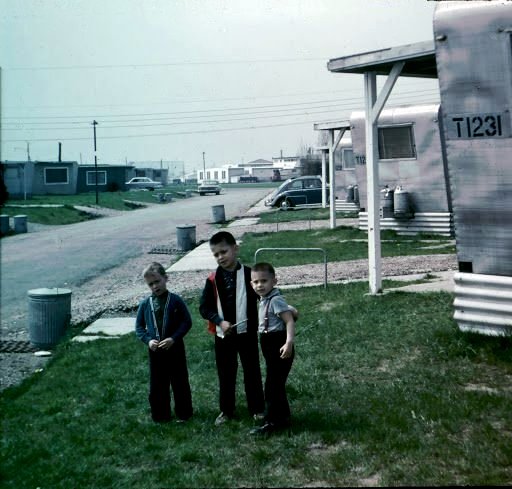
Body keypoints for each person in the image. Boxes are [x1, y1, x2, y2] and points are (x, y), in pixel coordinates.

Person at [199, 231, 265, 426]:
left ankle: (257, 408)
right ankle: (226, 410)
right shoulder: (212, 280)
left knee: (252, 370)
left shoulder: (250, 275)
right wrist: (219, 321)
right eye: (216, 254)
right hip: (224, 335)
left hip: (247, 334)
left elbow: (263, 295)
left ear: (235, 249)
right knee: (226, 373)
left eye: (224, 252)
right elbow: (204, 307)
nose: (220, 257)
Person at [135, 262, 193, 423]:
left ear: (165, 278)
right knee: (158, 384)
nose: (155, 286)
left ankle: (184, 413)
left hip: (175, 348)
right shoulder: (145, 304)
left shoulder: (175, 300)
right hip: (156, 351)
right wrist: (148, 341)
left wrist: (173, 338)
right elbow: (139, 327)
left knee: (180, 381)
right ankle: (160, 415)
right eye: (150, 284)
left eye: (157, 281)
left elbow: (186, 322)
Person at [249, 262, 296, 435]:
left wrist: (288, 342)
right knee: (275, 384)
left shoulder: (275, 299)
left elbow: (289, 320)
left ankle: (272, 422)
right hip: (269, 344)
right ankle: (283, 418)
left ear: (274, 281)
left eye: (264, 281)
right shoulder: (264, 299)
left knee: (272, 387)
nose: (259, 285)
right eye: (255, 282)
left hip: (279, 344)